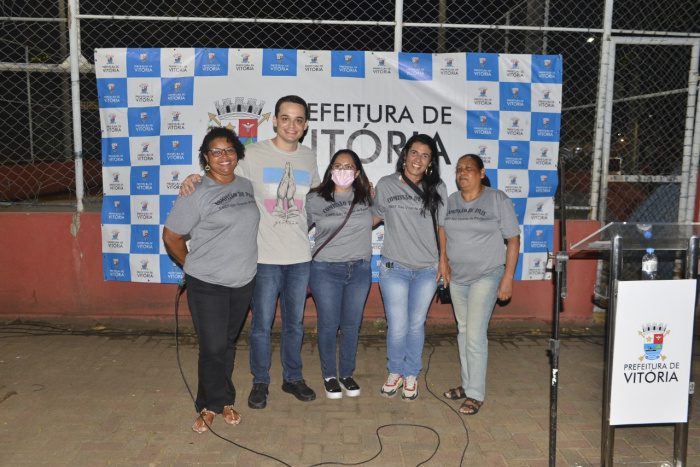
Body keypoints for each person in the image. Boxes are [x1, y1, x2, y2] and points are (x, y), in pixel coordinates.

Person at [180, 96, 321, 409]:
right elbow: (220, 173)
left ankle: (293, 377)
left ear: (306, 124)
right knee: (261, 325)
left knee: (295, 324)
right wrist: (194, 178)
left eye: (299, 120)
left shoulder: (309, 157)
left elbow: (310, 201)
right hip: (264, 258)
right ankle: (260, 381)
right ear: (274, 120)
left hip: (299, 256)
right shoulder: (253, 154)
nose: (291, 125)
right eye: (285, 118)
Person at [163, 127, 259, 433]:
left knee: (227, 343)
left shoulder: (246, 185)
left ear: (237, 154)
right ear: (206, 157)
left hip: (242, 281)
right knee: (213, 346)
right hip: (207, 284)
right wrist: (191, 266)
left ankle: (225, 399)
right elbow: (172, 236)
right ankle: (207, 405)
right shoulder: (196, 192)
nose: (224, 157)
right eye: (216, 151)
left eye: (229, 150)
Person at [442, 154, 520, 415]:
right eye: (458, 169)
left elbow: (513, 239)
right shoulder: (451, 201)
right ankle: (467, 384)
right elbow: (442, 230)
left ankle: (475, 394)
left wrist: (507, 277)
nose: (462, 173)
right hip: (459, 277)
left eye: (468, 169)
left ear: (482, 172)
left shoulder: (498, 199)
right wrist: (444, 261)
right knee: (464, 332)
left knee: (475, 334)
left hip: (487, 274)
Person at [372, 134, 448, 401]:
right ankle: (395, 371)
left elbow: (442, 228)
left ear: (430, 162)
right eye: (414, 153)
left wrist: (443, 262)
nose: (418, 159)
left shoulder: (437, 188)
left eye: (425, 155)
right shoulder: (386, 185)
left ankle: (411, 374)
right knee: (397, 325)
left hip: (427, 269)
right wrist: (354, 201)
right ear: (405, 156)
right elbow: (374, 218)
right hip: (394, 267)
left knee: (416, 324)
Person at [306, 149, 373, 399]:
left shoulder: (367, 198)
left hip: (359, 270)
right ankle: (329, 376)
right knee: (328, 324)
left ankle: (346, 373)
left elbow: (377, 219)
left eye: (348, 167)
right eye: (338, 165)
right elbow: (295, 229)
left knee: (352, 325)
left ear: (357, 173)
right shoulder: (315, 199)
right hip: (325, 270)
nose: (343, 170)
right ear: (330, 170)